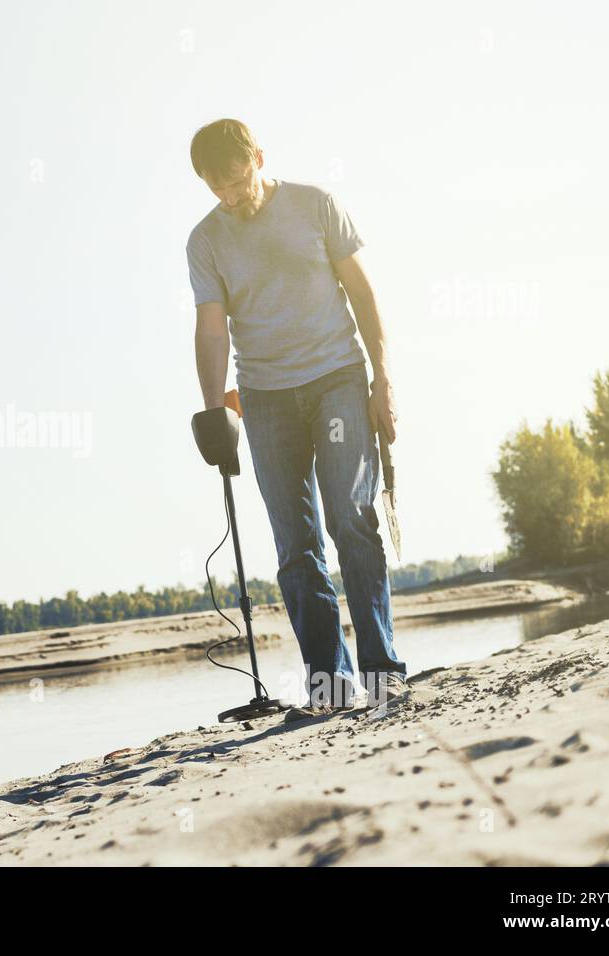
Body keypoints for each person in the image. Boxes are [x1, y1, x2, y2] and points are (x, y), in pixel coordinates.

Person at [186, 118, 407, 720]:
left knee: (351, 517)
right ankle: (330, 685)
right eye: (217, 188)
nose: (231, 197)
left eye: (237, 180)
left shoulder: (315, 205)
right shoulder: (205, 241)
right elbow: (212, 328)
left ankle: (383, 673)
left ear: (259, 156)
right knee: (295, 544)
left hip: (337, 378)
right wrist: (212, 411)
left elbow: (363, 294)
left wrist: (381, 378)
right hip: (266, 399)